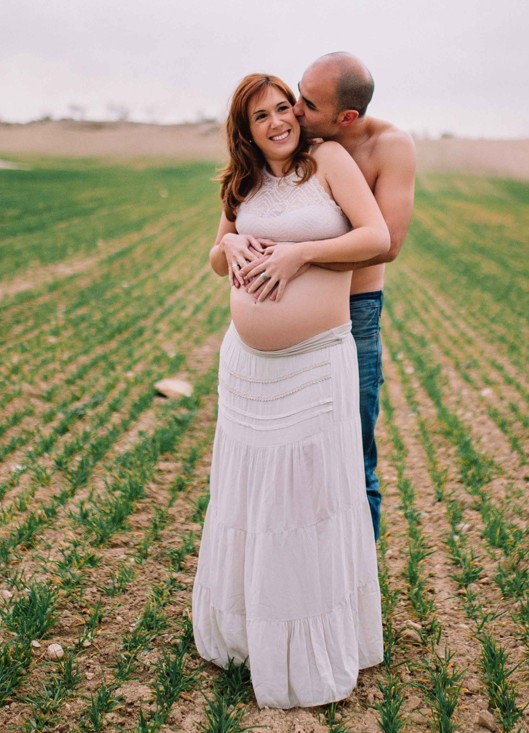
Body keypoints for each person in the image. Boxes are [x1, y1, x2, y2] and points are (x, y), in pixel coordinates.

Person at [191, 73, 389, 709]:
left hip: (314, 363)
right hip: (248, 369)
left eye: (284, 108)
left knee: (307, 502)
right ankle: (253, 631)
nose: (277, 122)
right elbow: (216, 259)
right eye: (260, 116)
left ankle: (309, 645)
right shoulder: (242, 181)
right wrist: (233, 241)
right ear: (244, 130)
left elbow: (376, 238)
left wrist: (297, 256)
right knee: (255, 503)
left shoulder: (326, 160)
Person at [288, 52, 417, 541]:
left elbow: (389, 245)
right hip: (293, 315)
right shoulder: (297, 136)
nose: (295, 110)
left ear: (347, 118)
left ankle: (360, 584)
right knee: (295, 453)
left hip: (355, 313)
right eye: (299, 92)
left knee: (354, 452)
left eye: (309, 103)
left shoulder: (390, 147)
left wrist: (297, 257)